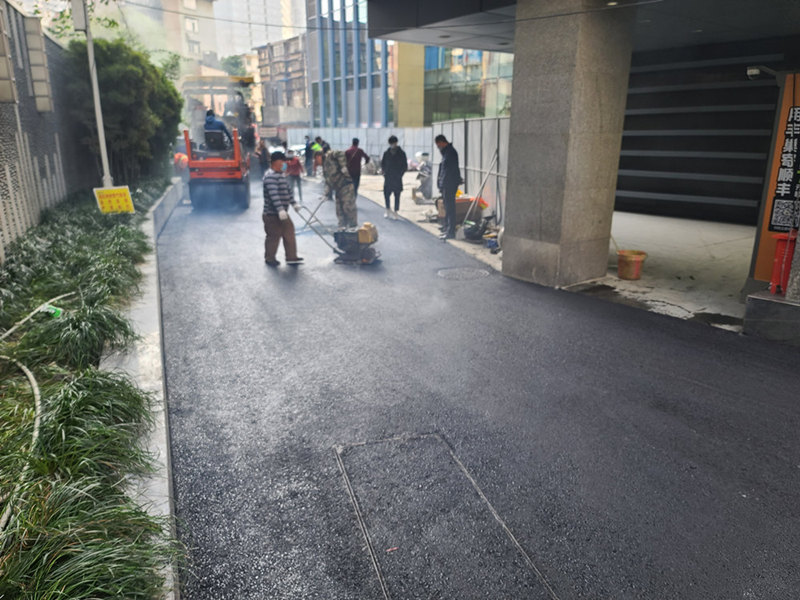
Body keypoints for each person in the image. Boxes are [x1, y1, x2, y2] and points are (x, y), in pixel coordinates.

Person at [262, 151, 304, 267]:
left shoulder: (281, 175)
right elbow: (273, 194)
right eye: (283, 162)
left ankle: (291, 257)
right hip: (272, 214)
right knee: (274, 235)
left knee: (289, 232)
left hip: (282, 213)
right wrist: (280, 209)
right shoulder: (270, 176)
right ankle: (270, 258)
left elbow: (288, 191)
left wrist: (294, 203)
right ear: (276, 162)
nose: (285, 164)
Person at [322, 150, 358, 229]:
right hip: (338, 188)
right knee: (339, 209)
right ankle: (342, 227)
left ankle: (353, 227)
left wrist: (343, 166)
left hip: (346, 185)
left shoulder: (331, 155)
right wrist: (326, 192)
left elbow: (339, 153)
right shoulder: (324, 165)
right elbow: (328, 179)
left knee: (348, 206)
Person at [436, 134, 461, 240]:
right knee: (447, 207)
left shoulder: (451, 152)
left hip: (449, 184)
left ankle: (451, 232)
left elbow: (450, 171)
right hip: (446, 184)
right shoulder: (446, 152)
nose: (438, 147)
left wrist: (444, 184)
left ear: (442, 142)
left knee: (450, 208)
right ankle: (447, 228)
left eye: (438, 145)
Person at [381, 135, 407, 219]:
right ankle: (388, 209)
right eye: (391, 143)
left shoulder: (401, 153)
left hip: (397, 177)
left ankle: (396, 211)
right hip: (388, 177)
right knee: (386, 194)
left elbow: (404, 166)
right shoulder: (386, 153)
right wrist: (384, 172)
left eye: (394, 143)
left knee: (397, 195)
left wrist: (400, 174)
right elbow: (383, 164)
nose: (393, 145)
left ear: (396, 143)